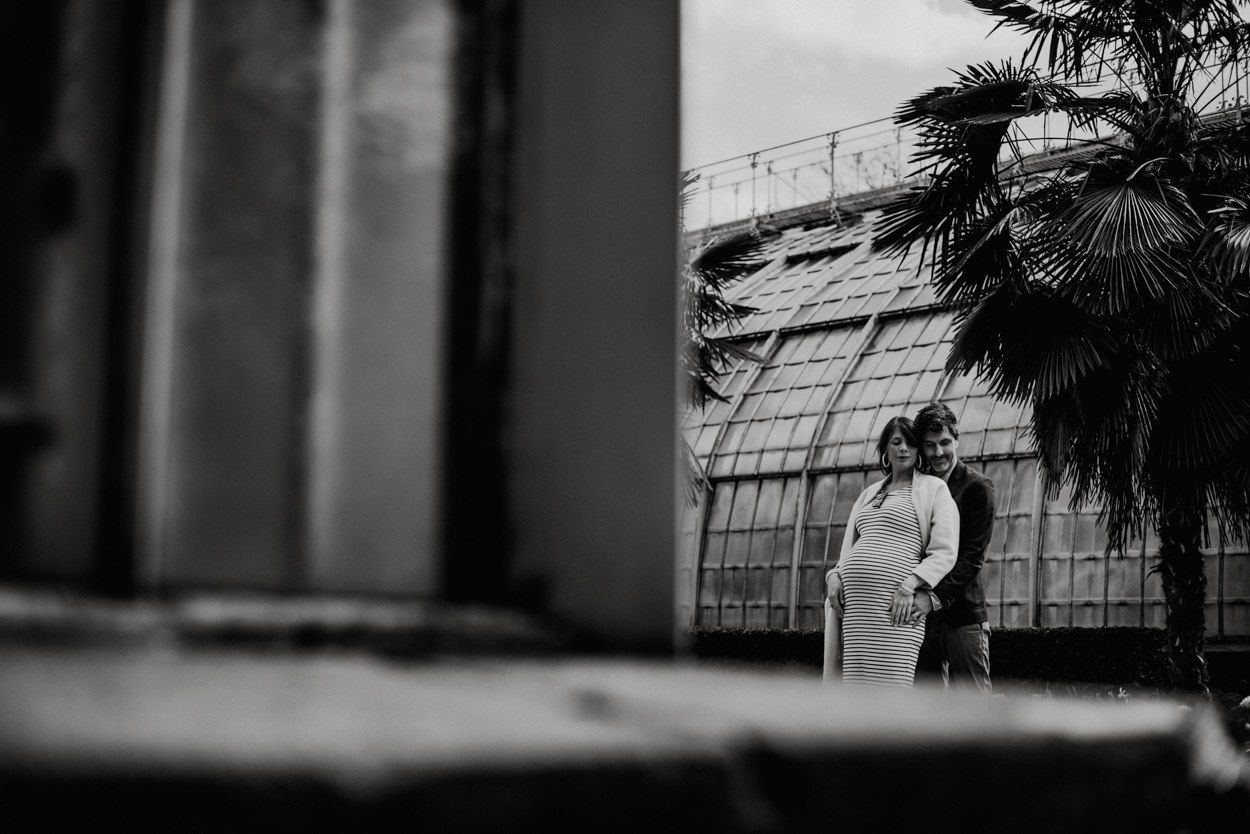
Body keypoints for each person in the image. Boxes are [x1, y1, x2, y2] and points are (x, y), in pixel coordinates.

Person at [823, 416, 959, 688]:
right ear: (885, 448)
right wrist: (834, 575)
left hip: (896, 607)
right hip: (856, 611)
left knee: (892, 686)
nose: (903, 449)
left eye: (910, 443)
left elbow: (945, 551)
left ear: (919, 450)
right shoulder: (869, 494)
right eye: (896, 442)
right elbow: (849, 548)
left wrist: (909, 586)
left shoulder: (933, 488)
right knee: (855, 689)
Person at [908, 402, 996, 693]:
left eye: (945, 442)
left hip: (963, 615)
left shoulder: (977, 487)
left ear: (956, 439)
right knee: (926, 707)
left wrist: (932, 598)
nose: (938, 452)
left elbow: (972, 558)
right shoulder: (913, 489)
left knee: (973, 706)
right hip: (921, 619)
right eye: (929, 445)